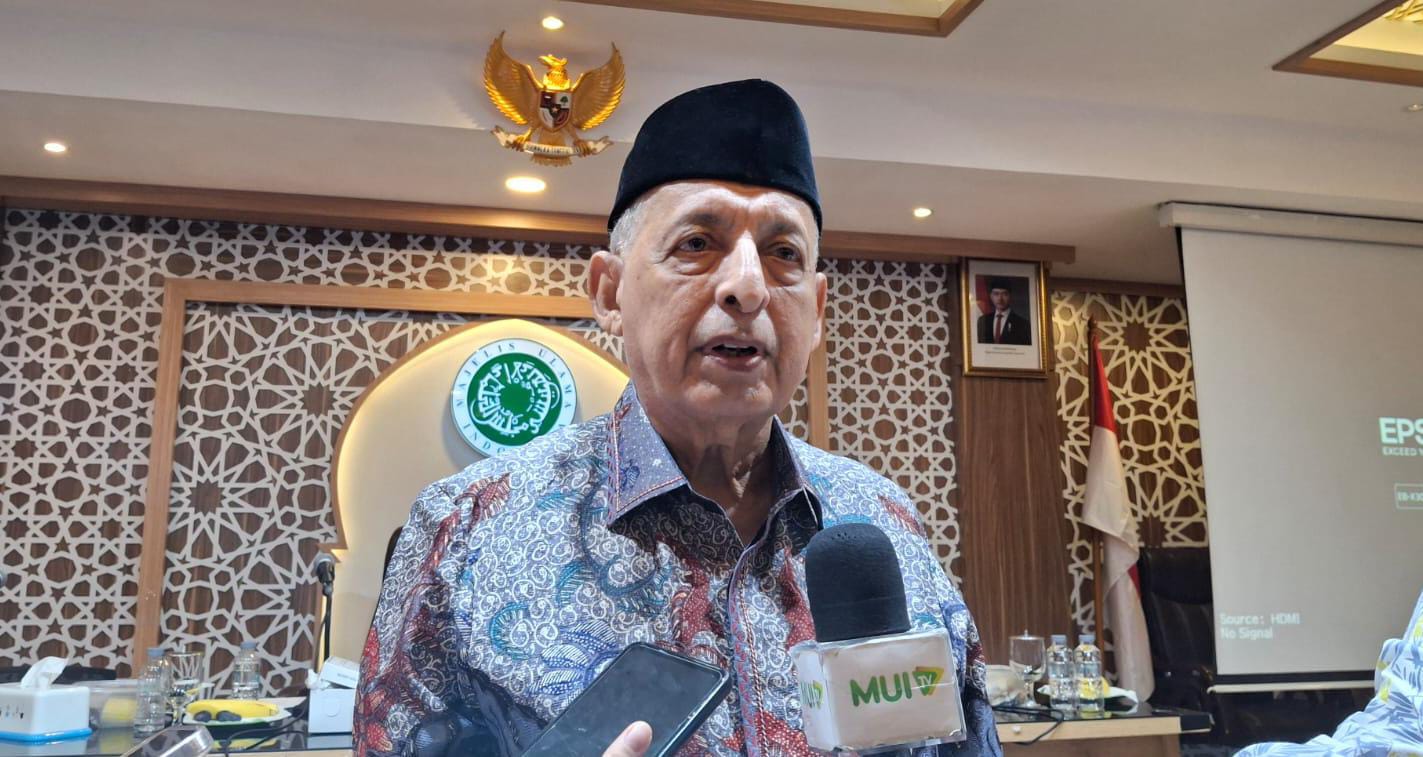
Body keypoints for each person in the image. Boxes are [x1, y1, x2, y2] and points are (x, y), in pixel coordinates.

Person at [354, 79, 1001, 757]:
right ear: (609, 293)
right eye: (696, 243)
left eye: (783, 253)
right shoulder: (464, 528)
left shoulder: (885, 519)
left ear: (815, 312)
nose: (748, 285)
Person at [975, 279, 1031, 346]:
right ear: (991, 296)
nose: (1000, 299)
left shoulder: (1023, 324)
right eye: (996, 294)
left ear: (1010, 296)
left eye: (1005, 294)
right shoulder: (982, 321)